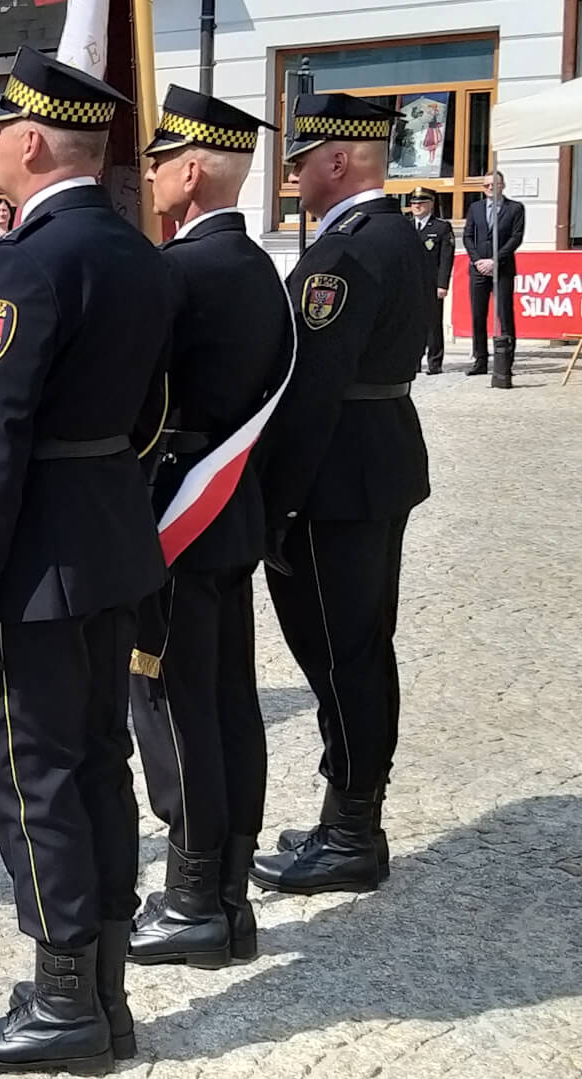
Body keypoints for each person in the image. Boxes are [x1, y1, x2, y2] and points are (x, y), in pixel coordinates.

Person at [0, 47, 172, 1074]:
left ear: (30, 140)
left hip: (34, 558)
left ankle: (63, 1002)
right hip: (113, 541)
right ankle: (106, 993)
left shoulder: (25, 263)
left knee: (32, 778)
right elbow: (161, 411)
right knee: (97, 762)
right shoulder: (138, 253)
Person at [124, 86, 291, 971]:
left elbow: (141, 405)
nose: (147, 175)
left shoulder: (179, 272)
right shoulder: (257, 265)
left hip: (179, 517)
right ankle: (226, 890)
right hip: (232, 513)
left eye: (157, 161)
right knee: (229, 701)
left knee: (174, 704)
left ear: (191, 170)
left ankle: (193, 897)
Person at [250, 92, 432, 897]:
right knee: (352, 645)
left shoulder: (347, 254)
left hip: (335, 477)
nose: (290, 175)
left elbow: (310, 391)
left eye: (298, 160)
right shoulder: (389, 234)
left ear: (337, 159)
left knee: (342, 651)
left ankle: (353, 828)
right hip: (370, 460)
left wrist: (274, 504)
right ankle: (346, 808)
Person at [462, 170, 524, 387]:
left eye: (494, 184)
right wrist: (478, 260)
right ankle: (480, 360)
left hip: (503, 268)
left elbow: (516, 238)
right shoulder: (475, 208)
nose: (490, 188)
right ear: (483, 188)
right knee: (478, 316)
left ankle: (506, 361)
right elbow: (468, 236)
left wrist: (495, 260)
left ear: (502, 185)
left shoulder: (515, 208)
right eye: (487, 185)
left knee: (504, 316)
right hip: (478, 269)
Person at [408, 188, 454, 375]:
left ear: (431, 204)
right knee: (411, 324)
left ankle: (435, 362)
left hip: (431, 283)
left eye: (421, 202)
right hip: (410, 284)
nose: (417, 206)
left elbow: (446, 259)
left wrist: (442, 284)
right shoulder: (406, 226)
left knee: (433, 324)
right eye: (414, 203)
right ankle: (413, 362)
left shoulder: (441, 227)